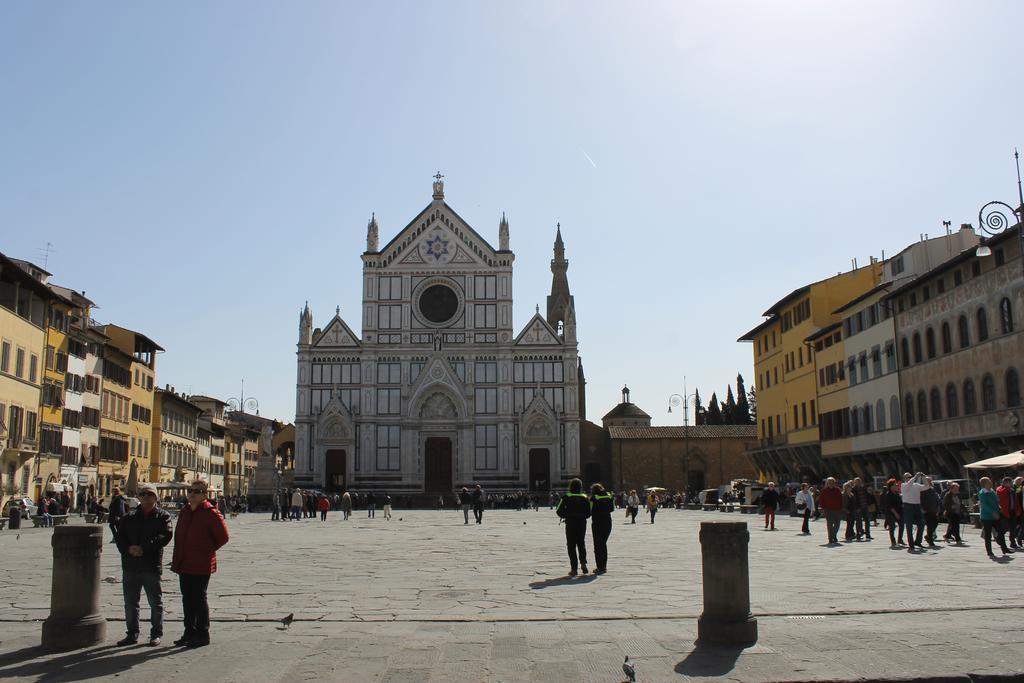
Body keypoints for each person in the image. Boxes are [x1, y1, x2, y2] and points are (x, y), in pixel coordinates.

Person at [171, 480, 230, 648]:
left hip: (202, 563)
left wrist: (206, 550)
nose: (192, 494)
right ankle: (189, 632)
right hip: (184, 562)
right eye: (190, 491)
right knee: (187, 599)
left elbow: (223, 537)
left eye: (197, 491)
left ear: (205, 494)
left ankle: (203, 634)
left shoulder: (211, 513)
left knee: (199, 598)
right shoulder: (185, 512)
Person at [115, 482, 173, 647]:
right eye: (143, 494)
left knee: (155, 602)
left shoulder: (163, 516)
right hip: (130, 565)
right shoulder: (129, 517)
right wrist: (128, 549)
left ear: (156, 497)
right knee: (131, 603)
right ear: (139, 497)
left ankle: (156, 634)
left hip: (150, 565)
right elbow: (120, 537)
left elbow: (166, 536)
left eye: (150, 494)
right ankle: (132, 634)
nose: (146, 497)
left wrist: (144, 548)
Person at [556, 478, 591, 576]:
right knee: (581, 543)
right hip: (582, 523)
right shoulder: (585, 497)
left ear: (570, 486)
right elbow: (589, 512)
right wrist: (582, 516)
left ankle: (574, 569)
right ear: (580, 487)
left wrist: (566, 515)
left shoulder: (566, 497)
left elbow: (558, 510)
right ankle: (583, 563)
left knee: (571, 545)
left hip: (571, 523)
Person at [978, 476, 1010, 557]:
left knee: (1000, 531)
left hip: (996, 515)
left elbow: (997, 501)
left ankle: (1004, 548)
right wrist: (992, 512)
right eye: (989, 482)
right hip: (987, 517)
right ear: (984, 484)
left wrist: (999, 508)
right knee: (988, 534)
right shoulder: (982, 493)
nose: (990, 483)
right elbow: (984, 505)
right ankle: (989, 551)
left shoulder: (992, 491)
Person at [589, 483, 614, 574]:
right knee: (603, 544)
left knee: (598, 545)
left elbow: (589, 511)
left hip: (597, 523)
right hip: (608, 523)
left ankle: (600, 566)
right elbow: (612, 509)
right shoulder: (609, 496)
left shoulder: (594, 498)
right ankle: (604, 566)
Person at [901, 472, 927, 552]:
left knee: (921, 524)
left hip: (917, 506)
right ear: (905, 479)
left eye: (911, 477)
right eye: (909, 477)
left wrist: (923, 478)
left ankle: (918, 541)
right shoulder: (904, 485)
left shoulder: (916, 485)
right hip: (908, 506)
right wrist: (915, 477)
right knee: (909, 526)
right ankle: (911, 544)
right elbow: (909, 485)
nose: (910, 478)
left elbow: (926, 487)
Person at [996, 477, 1020, 551]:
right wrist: (1007, 488)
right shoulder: (1000, 489)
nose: (1011, 484)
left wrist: (1018, 509)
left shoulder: (1012, 490)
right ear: (1005, 483)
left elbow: (1016, 501)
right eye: (1010, 482)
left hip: (1013, 511)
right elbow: (1001, 495)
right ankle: (998, 538)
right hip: (1004, 512)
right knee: (1004, 528)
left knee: (1013, 528)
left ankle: (1012, 543)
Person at [819, 477, 843, 545]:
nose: (831, 484)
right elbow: (821, 500)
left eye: (832, 483)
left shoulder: (837, 490)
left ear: (834, 483)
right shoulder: (824, 490)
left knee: (837, 524)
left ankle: (833, 535)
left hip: (837, 509)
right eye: (829, 483)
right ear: (827, 483)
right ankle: (830, 538)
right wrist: (822, 507)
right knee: (829, 524)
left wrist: (841, 508)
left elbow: (841, 499)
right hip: (828, 510)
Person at [920, 478, 941, 548]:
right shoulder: (922, 490)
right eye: (928, 482)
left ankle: (928, 536)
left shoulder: (932, 490)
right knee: (930, 525)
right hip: (927, 510)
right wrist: (922, 509)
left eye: (930, 481)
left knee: (935, 523)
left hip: (934, 510)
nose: (929, 483)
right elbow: (920, 500)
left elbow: (937, 499)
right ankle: (930, 541)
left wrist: (938, 508)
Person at [883, 479, 903, 548]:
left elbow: (900, 504)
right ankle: (893, 542)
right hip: (891, 513)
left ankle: (900, 540)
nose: (897, 486)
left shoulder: (897, 494)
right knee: (892, 527)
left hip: (899, 512)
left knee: (902, 525)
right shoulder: (888, 494)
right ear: (891, 486)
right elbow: (890, 506)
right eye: (895, 485)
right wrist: (896, 514)